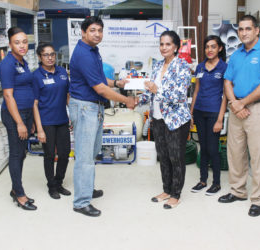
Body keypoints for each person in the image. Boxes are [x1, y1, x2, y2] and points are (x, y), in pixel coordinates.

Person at [69, 16, 135, 217]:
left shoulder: (93, 51)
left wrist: (118, 84)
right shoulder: (83, 54)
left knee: (92, 152)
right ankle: (81, 202)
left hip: (93, 108)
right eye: (92, 30)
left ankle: (86, 189)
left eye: (100, 30)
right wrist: (126, 100)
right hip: (85, 108)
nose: (97, 34)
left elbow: (100, 80)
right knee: (84, 157)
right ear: (83, 32)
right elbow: (100, 89)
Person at [218, 15, 260, 217]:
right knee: (235, 153)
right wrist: (235, 103)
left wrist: (242, 103)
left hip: (257, 109)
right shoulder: (236, 55)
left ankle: (259, 199)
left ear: (256, 31)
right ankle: (238, 191)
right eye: (241, 29)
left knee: (258, 155)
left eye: (248, 29)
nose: (243, 33)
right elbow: (227, 82)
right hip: (237, 108)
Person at [139, 30, 191, 209]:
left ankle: (176, 194)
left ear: (176, 46)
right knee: (163, 156)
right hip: (158, 119)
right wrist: (136, 99)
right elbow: (150, 92)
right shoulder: (157, 66)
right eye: (161, 44)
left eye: (168, 44)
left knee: (176, 158)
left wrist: (156, 91)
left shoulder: (183, 66)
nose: (164, 47)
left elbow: (179, 95)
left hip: (176, 120)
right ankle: (166, 189)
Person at [0, 27, 37, 210]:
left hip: (26, 113)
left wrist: (29, 121)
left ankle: (16, 189)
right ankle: (19, 194)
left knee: (22, 153)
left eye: (24, 42)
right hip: (15, 115)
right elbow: (8, 96)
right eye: (17, 42)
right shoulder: (7, 65)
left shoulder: (23, 62)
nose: (22, 46)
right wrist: (20, 123)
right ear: (9, 44)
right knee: (16, 154)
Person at [32, 43, 71, 200]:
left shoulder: (62, 72)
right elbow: (34, 104)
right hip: (46, 121)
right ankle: (51, 185)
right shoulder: (36, 76)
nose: (50, 57)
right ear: (40, 57)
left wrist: (72, 116)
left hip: (62, 120)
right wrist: (39, 129)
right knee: (49, 155)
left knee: (64, 153)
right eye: (46, 55)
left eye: (52, 54)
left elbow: (67, 95)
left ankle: (59, 182)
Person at [190, 35, 227, 195]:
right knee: (202, 147)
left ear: (219, 48)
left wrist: (220, 119)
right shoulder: (200, 67)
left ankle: (216, 183)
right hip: (199, 111)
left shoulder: (224, 67)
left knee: (213, 149)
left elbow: (226, 94)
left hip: (214, 112)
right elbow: (196, 90)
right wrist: (191, 113)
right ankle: (203, 180)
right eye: (207, 47)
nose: (209, 50)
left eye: (213, 46)